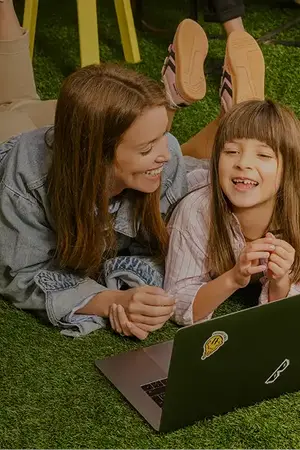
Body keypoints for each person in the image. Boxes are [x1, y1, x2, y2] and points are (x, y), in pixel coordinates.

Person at [0, 1, 264, 338]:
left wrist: (137, 291)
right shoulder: (25, 177)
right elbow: (21, 275)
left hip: (78, 123)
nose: (164, 155)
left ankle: (200, 112)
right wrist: (111, 300)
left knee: (182, 165)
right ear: (97, 157)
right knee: (14, 103)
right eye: (145, 148)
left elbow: (164, 243)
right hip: (10, 134)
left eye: (159, 139)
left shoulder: (162, 153)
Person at [164, 99, 300, 326]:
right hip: (173, 190)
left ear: (289, 168)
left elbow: (282, 317)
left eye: (264, 155)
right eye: (232, 151)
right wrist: (234, 277)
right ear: (218, 158)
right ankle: (177, 97)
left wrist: (280, 282)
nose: (243, 162)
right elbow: (177, 302)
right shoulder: (195, 210)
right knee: (170, 156)